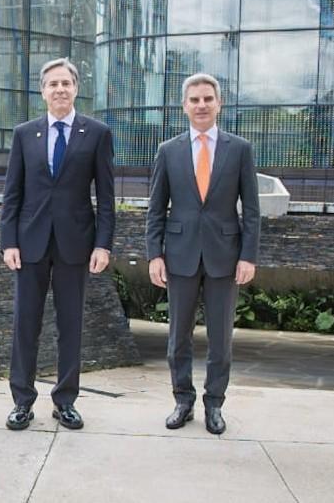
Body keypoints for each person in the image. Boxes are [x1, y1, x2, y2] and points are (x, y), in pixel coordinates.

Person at [0, 57, 115, 431]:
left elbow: (107, 197)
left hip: (75, 245)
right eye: (53, 84)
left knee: (70, 326)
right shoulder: (24, 133)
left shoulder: (96, 133)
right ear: (43, 90)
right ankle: (22, 401)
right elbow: (12, 194)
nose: (60, 90)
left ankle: (65, 400)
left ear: (76, 88)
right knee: (25, 326)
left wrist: (103, 245)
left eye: (66, 83)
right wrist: (8, 241)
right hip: (29, 244)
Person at [145, 72, 260, 435]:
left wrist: (248, 256)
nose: (201, 105)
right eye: (194, 100)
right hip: (178, 256)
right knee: (178, 336)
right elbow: (155, 208)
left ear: (218, 103)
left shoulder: (239, 149)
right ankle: (183, 400)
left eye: (208, 98)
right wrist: (154, 254)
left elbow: (252, 210)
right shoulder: (169, 150)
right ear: (185, 106)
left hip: (225, 257)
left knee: (220, 338)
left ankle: (214, 404)